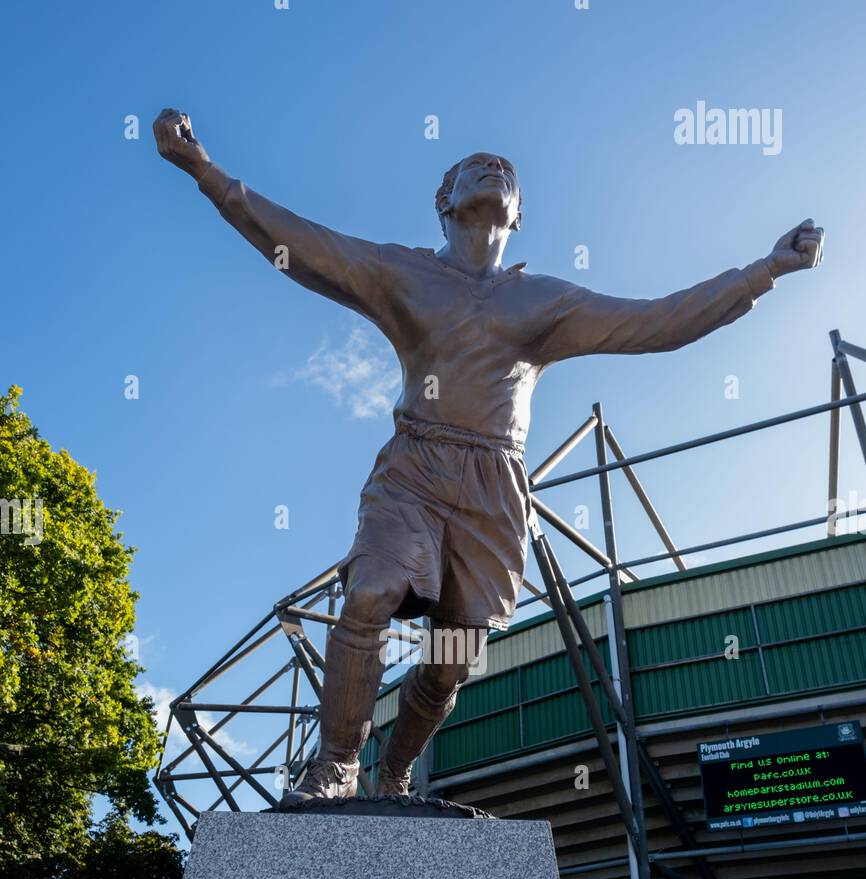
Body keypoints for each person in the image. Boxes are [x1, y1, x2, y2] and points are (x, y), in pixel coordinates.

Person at [153, 110, 824, 804]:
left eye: (506, 171)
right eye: (476, 167)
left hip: (493, 483)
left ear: (520, 215)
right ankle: (336, 765)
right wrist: (206, 172)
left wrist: (765, 270)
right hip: (415, 466)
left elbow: (658, 321)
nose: (494, 170)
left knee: (451, 661)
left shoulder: (545, 300)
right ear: (444, 203)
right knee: (370, 592)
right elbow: (301, 244)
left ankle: (393, 775)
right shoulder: (401, 272)